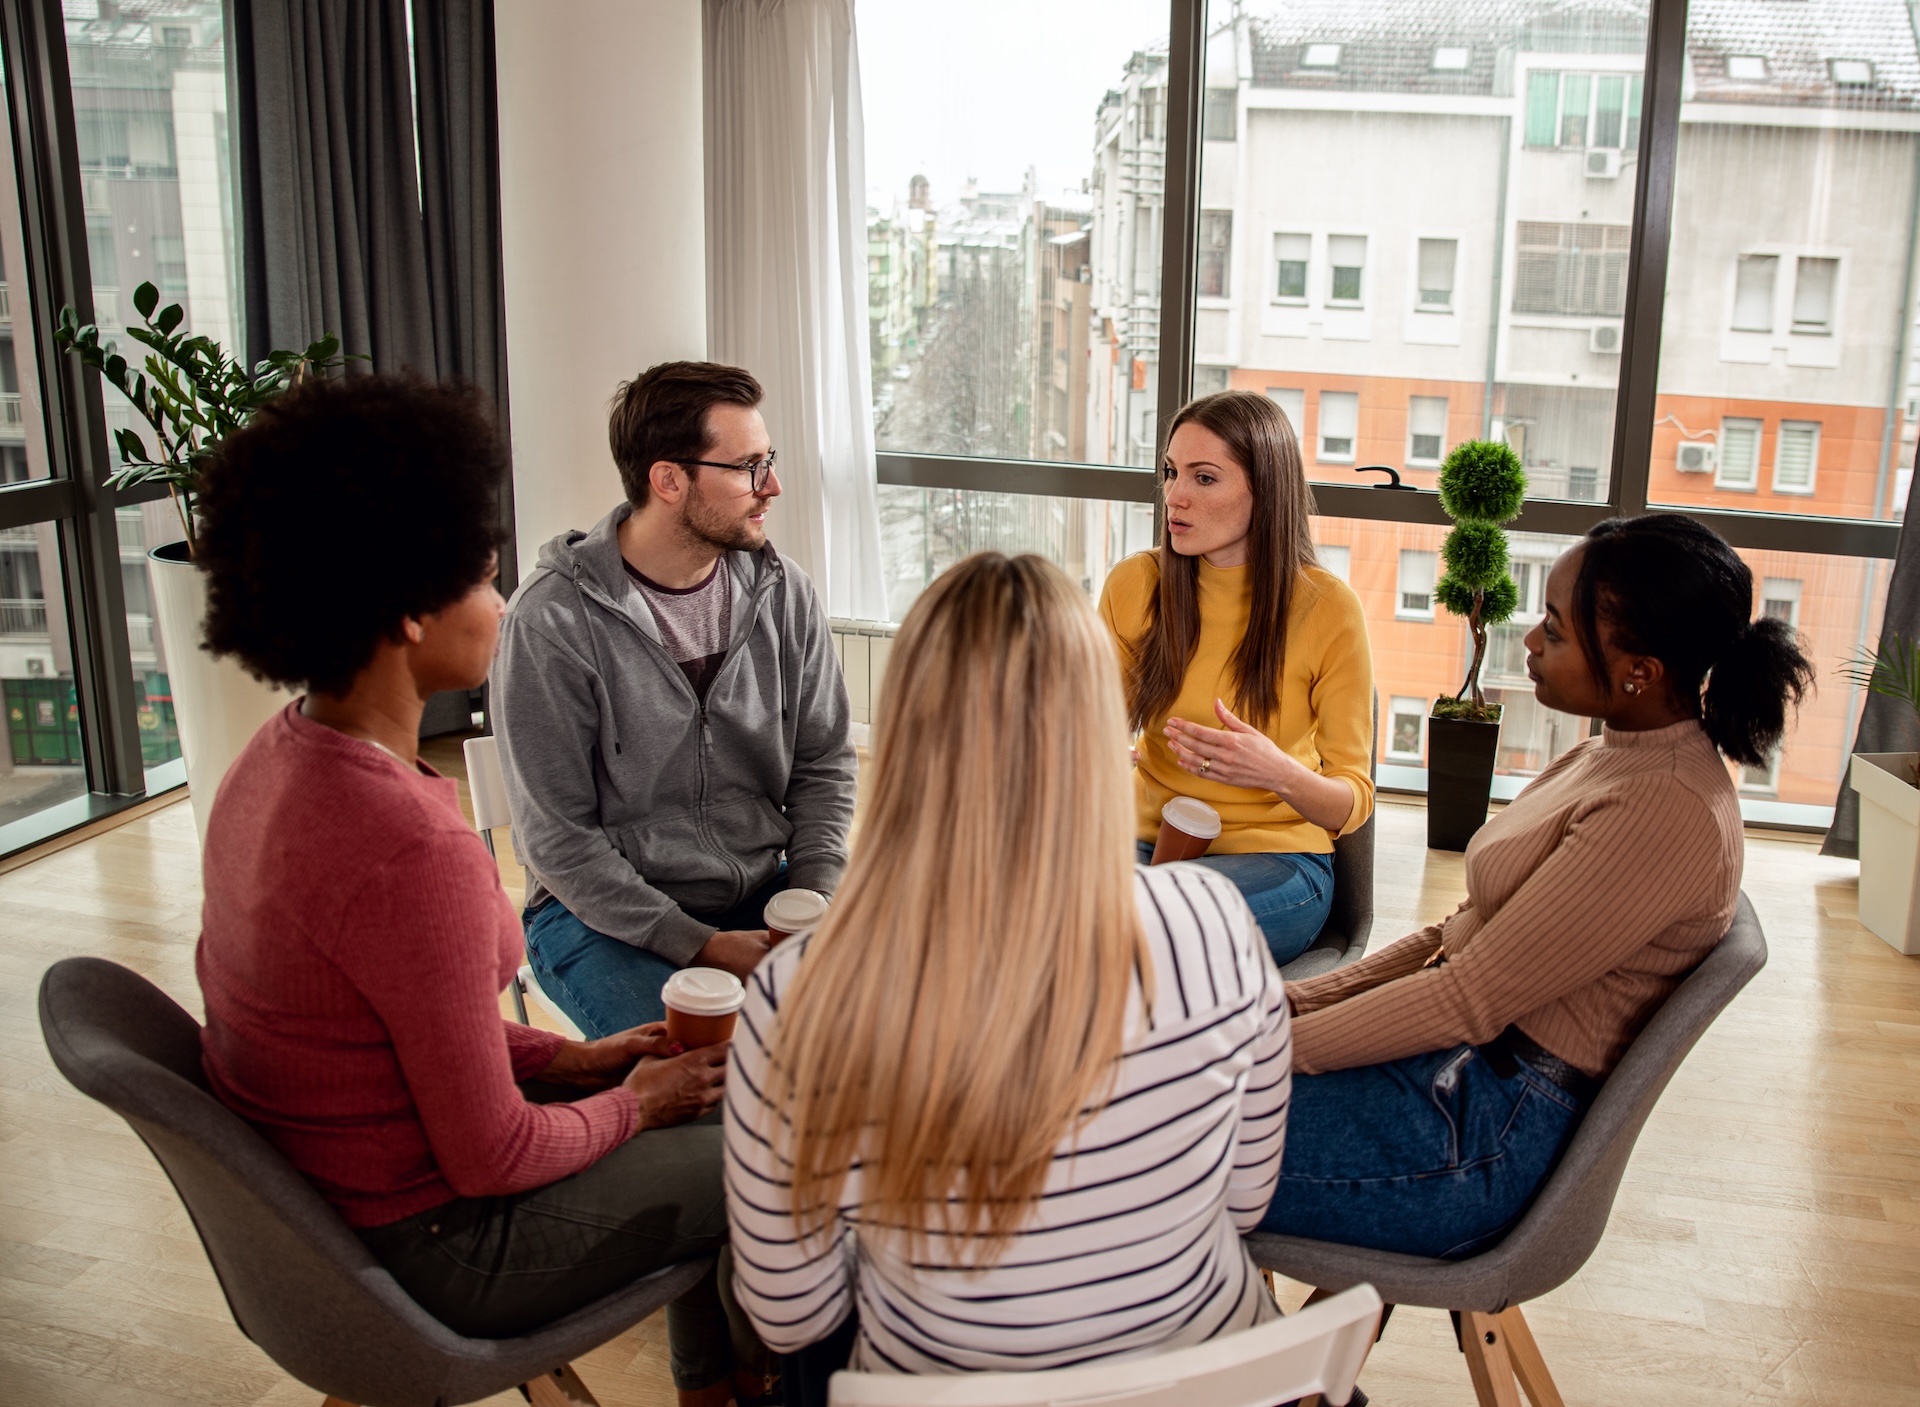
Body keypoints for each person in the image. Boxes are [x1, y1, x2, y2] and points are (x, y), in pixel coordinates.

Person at [192, 375, 774, 1407]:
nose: (502, 606)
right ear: (409, 609)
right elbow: (493, 1153)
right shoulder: (411, 848)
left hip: (324, 1226)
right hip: (435, 1253)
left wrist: (580, 1058)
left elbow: (400, 1025)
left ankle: (724, 1385)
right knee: (771, 1150)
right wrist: (633, 1106)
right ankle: (739, 1388)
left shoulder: (271, 768)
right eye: (482, 579)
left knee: (696, 1103)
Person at [725, 553, 1292, 1390]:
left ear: (909, 738)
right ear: (1103, 738)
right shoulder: (1216, 922)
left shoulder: (799, 993)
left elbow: (792, 1314)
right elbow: (1243, 1206)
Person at [1260, 513, 1815, 1258]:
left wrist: (1262, 1053)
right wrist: (1286, 1007)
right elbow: (1453, 939)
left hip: (1473, 1134)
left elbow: (1468, 996)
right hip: (1459, 1077)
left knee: (1133, 1141)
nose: (1528, 640)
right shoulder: (1616, 752)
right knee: (1143, 1105)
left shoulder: (1663, 807)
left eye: (1554, 628)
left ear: (1639, 670)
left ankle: (1248, 1368)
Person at [491, 361, 857, 1038]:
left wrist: (812, 898)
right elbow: (558, 841)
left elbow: (824, 763)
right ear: (668, 479)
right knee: (712, 1083)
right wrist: (702, 945)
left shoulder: (785, 591)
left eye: (768, 460)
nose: (771, 485)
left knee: (890, 1035)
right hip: (602, 919)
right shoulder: (551, 622)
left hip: (762, 890)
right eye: (748, 466)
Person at [1099, 390, 1374, 969]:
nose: (1174, 497)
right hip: (1143, 844)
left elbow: (1352, 801)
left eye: (1204, 478)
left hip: (1276, 861)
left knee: (1128, 929)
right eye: (1171, 472)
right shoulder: (1135, 585)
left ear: (1265, 490)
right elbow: (1090, 725)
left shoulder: (1328, 608)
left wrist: (1276, 772)